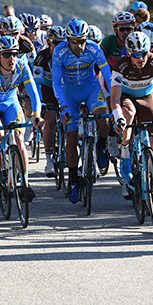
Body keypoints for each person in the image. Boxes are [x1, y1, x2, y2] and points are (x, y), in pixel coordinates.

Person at [110, 32, 153, 213]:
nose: (141, 58)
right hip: (126, 97)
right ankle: (124, 152)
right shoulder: (121, 65)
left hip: (147, 98)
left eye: (144, 53)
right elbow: (114, 97)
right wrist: (118, 117)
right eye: (136, 55)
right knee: (128, 114)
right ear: (129, 53)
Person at [52, 19, 112, 204]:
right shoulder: (59, 52)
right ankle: (72, 180)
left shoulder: (94, 49)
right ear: (68, 39)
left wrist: (113, 101)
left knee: (104, 120)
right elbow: (56, 82)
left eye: (83, 40)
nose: (80, 45)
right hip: (69, 93)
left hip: (91, 89)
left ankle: (101, 145)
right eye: (75, 41)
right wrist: (62, 106)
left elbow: (108, 75)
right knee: (70, 138)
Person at [0, 36, 41, 200]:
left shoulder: (22, 66)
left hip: (11, 104)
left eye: (14, 53)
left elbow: (34, 94)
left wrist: (36, 115)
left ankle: (25, 183)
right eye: (6, 55)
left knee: (19, 140)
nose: (11, 58)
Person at [33, 25, 67, 178]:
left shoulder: (69, 55)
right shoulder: (41, 57)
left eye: (62, 43)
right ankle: (49, 160)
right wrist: (41, 102)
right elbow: (37, 83)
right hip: (48, 90)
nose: (60, 46)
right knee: (50, 119)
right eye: (56, 43)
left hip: (66, 89)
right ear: (48, 41)